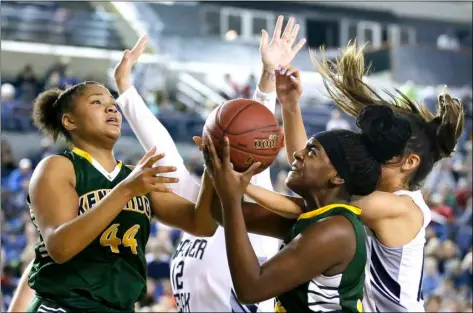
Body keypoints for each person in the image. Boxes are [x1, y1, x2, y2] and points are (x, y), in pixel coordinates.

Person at [243, 42, 464, 312]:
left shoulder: (401, 208)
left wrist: (245, 187)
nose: (371, 158)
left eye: (382, 155)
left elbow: (316, 191)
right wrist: (290, 106)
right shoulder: (377, 197)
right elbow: (313, 173)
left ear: (409, 163)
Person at [114, 16, 306, 312]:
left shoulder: (254, 213)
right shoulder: (197, 207)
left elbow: (256, 134)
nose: (218, 147)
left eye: (222, 140)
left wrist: (267, 80)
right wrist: (125, 90)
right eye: (215, 139)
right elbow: (163, 150)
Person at [14, 78, 218, 312]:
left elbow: (203, 225)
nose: (111, 108)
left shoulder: (136, 177)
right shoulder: (58, 167)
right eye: (96, 102)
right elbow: (60, 248)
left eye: (112, 103)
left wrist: (212, 168)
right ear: (69, 121)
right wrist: (126, 191)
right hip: (64, 306)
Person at [203, 106, 411, 312]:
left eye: (312, 151)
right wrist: (217, 156)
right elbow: (219, 212)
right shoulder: (313, 218)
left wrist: (231, 199)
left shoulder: (337, 230)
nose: (297, 154)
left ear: (337, 176)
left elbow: (250, 289)